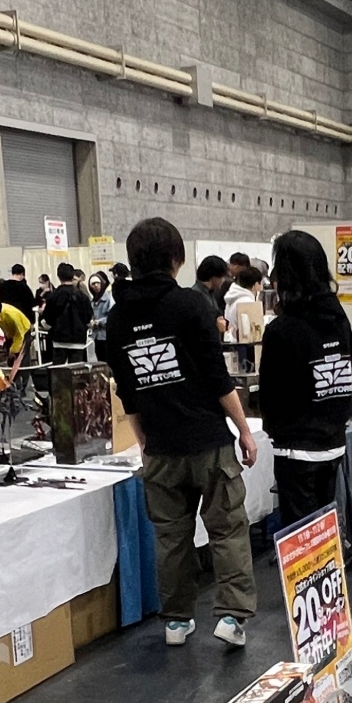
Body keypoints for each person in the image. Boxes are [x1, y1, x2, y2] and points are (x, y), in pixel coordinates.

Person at [103, 216, 259, 650]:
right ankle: (231, 616)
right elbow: (217, 378)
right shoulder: (190, 305)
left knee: (171, 538)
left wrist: (144, 441)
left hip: (160, 446)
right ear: (176, 258)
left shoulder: (117, 318)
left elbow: (128, 391)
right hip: (208, 440)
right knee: (227, 530)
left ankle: (175, 620)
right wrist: (244, 430)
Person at [258, 230, 352, 523]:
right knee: (323, 527)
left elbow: (270, 394)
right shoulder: (339, 319)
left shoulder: (282, 330)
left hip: (296, 448)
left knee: (300, 535)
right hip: (333, 441)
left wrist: (274, 428)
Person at [41, 263, 93, 364]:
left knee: (58, 370)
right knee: (76, 371)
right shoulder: (82, 296)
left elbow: (47, 319)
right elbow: (88, 318)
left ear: (58, 276)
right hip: (78, 340)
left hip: (59, 340)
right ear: (73, 275)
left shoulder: (53, 296)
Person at [195, 255, 232, 329]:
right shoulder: (196, 297)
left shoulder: (212, 293)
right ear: (214, 277)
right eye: (222, 277)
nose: (223, 280)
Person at [87, 271, 113, 356]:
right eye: (93, 284)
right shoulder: (93, 302)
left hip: (107, 335)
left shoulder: (109, 298)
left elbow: (112, 316)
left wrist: (99, 322)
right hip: (96, 336)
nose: (96, 285)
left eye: (98, 283)